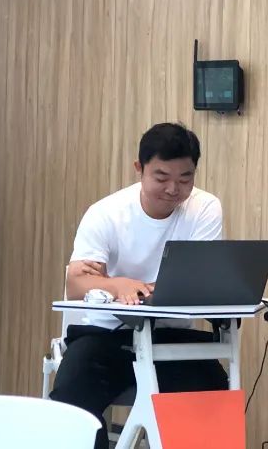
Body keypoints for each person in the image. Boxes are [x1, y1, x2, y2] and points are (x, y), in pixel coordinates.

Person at [49, 122, 228, 441]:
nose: (173, 189)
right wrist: (118, 285)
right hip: (105, 335)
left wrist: (115, 283)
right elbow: (76, 284)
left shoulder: (205, 208)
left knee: (212, 389)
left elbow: (198, 279)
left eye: (185, 178)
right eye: (161, 177)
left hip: (169, 337)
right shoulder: (106, 213)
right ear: (139, 169)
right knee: (72, 395)